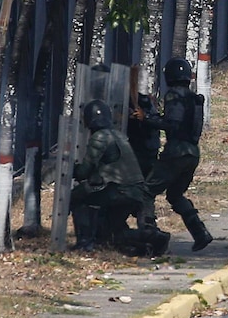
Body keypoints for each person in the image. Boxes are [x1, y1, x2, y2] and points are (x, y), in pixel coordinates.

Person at [71, 99, 169, 256]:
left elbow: (84, 171)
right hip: (135, 192)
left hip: (119, 191)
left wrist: (73, 169)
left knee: (77, 197)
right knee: (110, 234)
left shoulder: (100, 137)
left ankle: (84, 243)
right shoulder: (119, 135)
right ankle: (152, 237)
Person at [140, 57, 212, 252]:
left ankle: (149, 234)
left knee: (146, 191)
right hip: (192, 153)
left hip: (176, 151)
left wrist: (145, 119)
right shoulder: (194, 97)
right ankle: (200, 232)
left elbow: (171, 124)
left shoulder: (174, 96)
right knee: (175, 195)